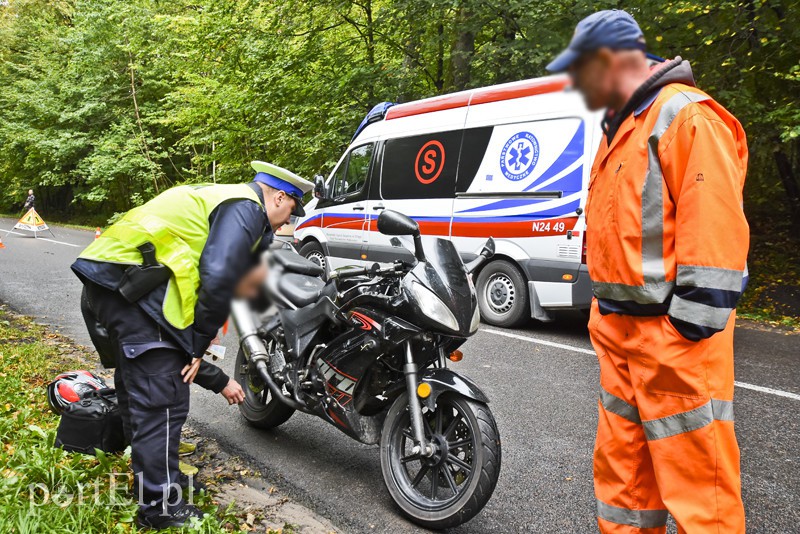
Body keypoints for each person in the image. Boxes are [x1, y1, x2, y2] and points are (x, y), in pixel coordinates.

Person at [547, 10, 748, 534]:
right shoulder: (621, 127)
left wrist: (685, 331)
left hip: (672, 342)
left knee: (701, 492)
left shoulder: (686, 117)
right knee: (625, 482)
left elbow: (716, 234)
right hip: (622, 335)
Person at [72, 161, 312, 529]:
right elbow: (218, 275)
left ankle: (157, 481)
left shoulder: (222, 197)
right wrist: (198, 346)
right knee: (162, 400)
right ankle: (160, 507)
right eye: (291, 212)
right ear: (280, 196)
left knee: (144, 389)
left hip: (118, 283)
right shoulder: (246, 208)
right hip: (133, 288)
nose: (286, 223)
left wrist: (196, 342)